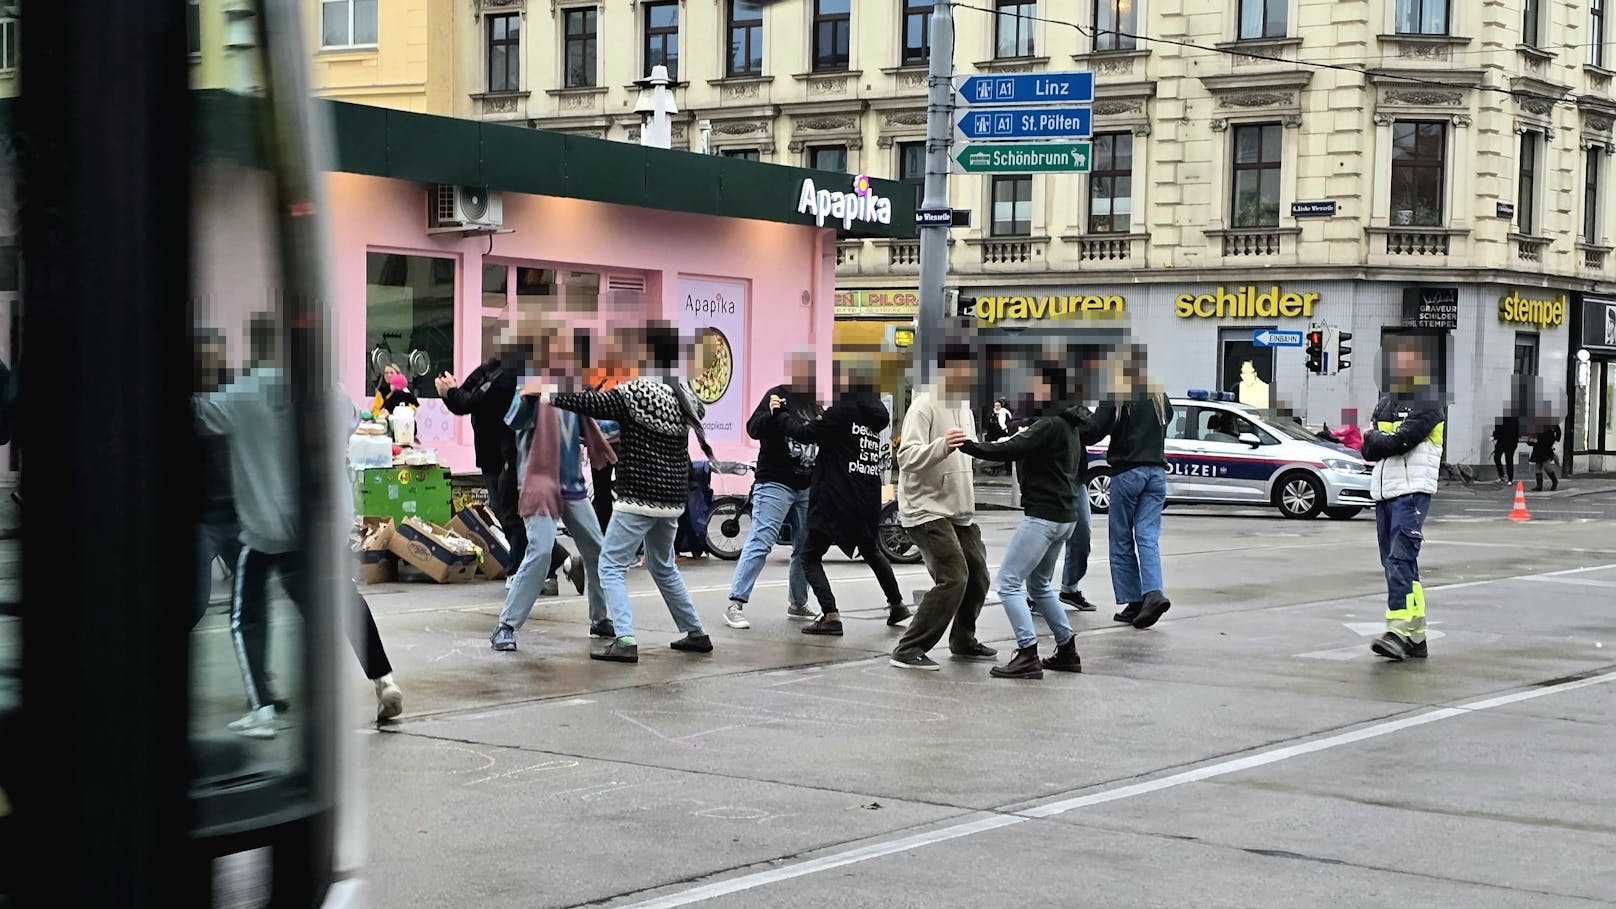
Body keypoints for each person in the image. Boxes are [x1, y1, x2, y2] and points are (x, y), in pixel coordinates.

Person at [197, 314, 402, 737]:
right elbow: (350, 421)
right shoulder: (330, 392)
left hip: (267, 532)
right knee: (343, 604)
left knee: (246, 616)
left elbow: (199, 415)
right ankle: (384, 683)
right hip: (320, 528)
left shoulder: (244, 394)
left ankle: (262, 710)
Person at [541, 322, 714, 664]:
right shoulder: (684, 394)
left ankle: (625, 639)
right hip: (672, 498)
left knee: (609, 565)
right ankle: (696, 632)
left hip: (639, 496)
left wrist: (548, 396)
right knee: (663, 565)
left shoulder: (638, 392)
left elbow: (594, 403)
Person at [490, 327, 617, 651]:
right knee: (542, 549)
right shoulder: (533, 383)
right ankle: (506, 626)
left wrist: (625, 416)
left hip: (572, 484)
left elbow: (597, 425)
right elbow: (514, 421)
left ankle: (600, 619)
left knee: (597, 549)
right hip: (539, 483)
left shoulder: (576, 392)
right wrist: (526, 398)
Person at [962, 364, 1088, 679]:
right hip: (1064, 517)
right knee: (1040, 585)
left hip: (1043, 517)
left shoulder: (1049, 424)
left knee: (1008, 582)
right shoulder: (1069, 424)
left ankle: (1027, 652)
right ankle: (1067, 649)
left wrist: (968, 445)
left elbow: (1011, 448)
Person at [776, 360, 910, 636]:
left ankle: (830, 614)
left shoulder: (842, 410)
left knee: (809, 555)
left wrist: (781, 415)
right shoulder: (875, 417)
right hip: (867, 497)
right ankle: (897, 604)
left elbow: (805, 434)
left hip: (835, 497)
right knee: (871, 550)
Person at [438, 338, 572, 595]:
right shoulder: (489, 370)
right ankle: (558, 564)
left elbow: (475, 400)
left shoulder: (511, 377)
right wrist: (451, 393)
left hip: (510, 456)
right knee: (510, 516)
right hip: (491, 454)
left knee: (514, 516)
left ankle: (521, 571)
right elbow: (464, 399)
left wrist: (452, 393)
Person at [889, 343, 994, 671]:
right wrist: (940, 446)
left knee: (978, 576)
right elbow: (905, 457)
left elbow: (970, 450)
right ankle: (909, 648)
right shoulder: (924, 404)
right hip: (926, 508)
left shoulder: (965, 405)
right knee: (954, 576)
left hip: (958, 508)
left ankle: (963, 640)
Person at [1361, 343, 1445, 662]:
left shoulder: (1429, 403)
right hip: (1385, 492)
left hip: (1411, 491)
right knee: (1398, 562)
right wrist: (1377, 442)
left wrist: (1378, 441)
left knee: (1399, 558)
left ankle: (1397, 631)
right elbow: (1369, 448)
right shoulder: (1386, 403)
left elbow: (1399, 442)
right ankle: (1417, 636)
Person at [723, 349, 819, 629]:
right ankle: (735, 603)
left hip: (806, 485)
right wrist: (773, 413)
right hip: (775, 481)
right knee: (762, 540)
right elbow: (753, 428)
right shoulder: (776, 395)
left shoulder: (814, 404)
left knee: (804, 546)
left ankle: (798, 603)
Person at [1086, 346, 1175, 631]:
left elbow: (1094, 430)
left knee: (1122, 537)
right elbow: (1169, 417)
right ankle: (1153, 593)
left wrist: (1070, 422)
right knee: (1148, 536)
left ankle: (1133, 600)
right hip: (1157, 473)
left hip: (1128, 472)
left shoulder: (1117, 394)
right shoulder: (1158, 395)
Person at [194, 330, 242, 628]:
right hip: (200, 518)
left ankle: (257, 671)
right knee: (194, 603)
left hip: (237, 516)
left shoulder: (237, 395)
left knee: (250, 601)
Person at [1531, 419, 1561, 491]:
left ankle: (1554, 481)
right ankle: (1539, 485)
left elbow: (1558, 431)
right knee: (1538, 466)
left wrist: (1556, 439)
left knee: (1546, 465)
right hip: (1538, 445)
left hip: (1547, 445)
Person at [1492, 413, 1521, 484]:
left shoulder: (1516, 420)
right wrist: (1494, 436)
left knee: (1508, 459)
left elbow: (1517, 433)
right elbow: (1497, 430)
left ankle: (1510, 479)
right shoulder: (1501, 419)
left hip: (1510, 443)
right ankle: (1502, 476)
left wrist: (1495, 436)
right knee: (1496, 457)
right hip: (1501, 442)